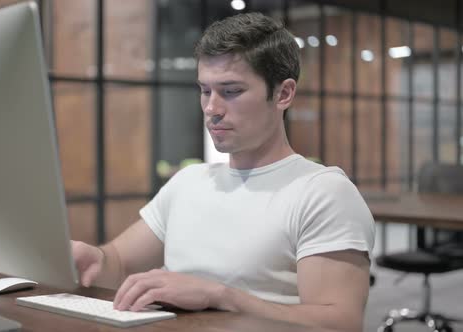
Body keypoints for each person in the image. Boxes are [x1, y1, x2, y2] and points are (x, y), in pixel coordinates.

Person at [71, 12, 374, 332]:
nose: (212, 108)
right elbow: (118, 262)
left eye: (231, 91)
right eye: (205, 90)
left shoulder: (322, 192)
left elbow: (341, 323)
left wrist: (219, 296)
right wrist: (94, 260)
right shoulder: (189, 182)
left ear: (283, 94)